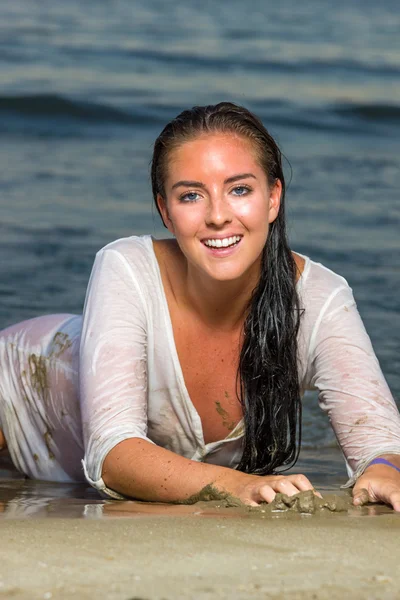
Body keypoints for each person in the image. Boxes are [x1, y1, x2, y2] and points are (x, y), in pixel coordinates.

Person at [1, 102, 400, 509]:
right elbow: (111, 453)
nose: (217, 216)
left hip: (67, 473)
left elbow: (382, 446)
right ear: (166, 213)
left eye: (240, 189)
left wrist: (384, 468)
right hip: (18, 388)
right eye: (191, 196)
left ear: (273, 198)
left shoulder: (321, 297)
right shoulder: (126, 266)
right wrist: (236, 485)